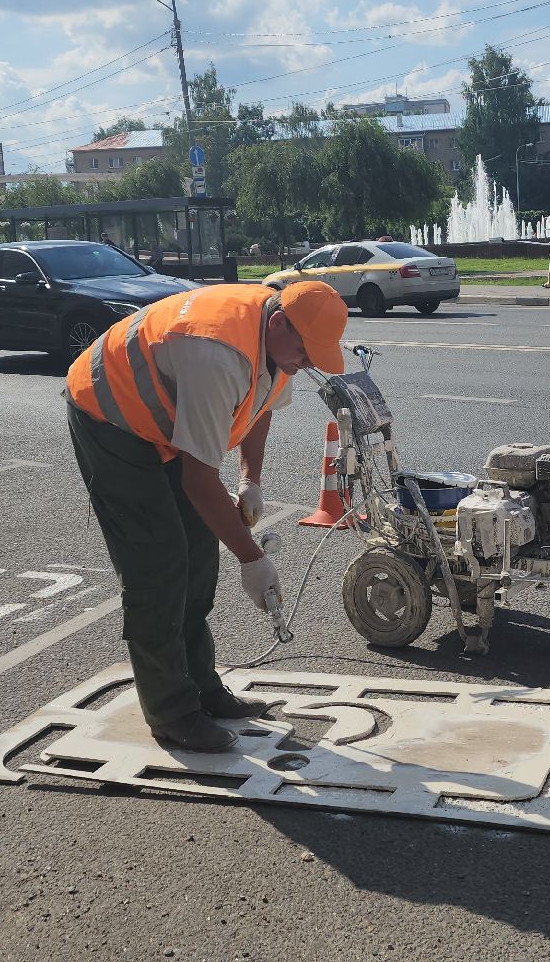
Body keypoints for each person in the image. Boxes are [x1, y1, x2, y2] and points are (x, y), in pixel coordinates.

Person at [65, 280, 349, 752]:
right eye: (304, 350)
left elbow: (260, 409)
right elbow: (198, 480)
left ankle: (201, 686)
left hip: (164, 418)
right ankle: (171, 712)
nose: (307, 361)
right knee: (158, 564)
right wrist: (252, 557)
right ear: (280, 324)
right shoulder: (218, 354)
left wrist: (249, 479)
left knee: (198, 556)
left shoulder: (277, 339)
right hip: (110, 416)